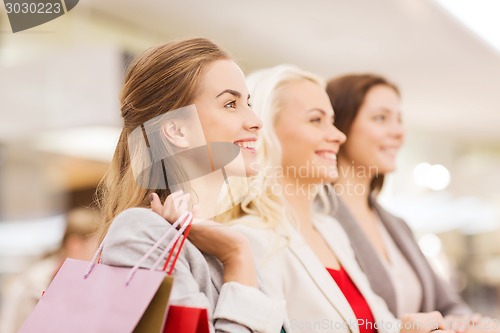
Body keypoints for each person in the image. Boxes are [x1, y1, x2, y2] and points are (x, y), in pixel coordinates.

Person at [151, 64, 454, 333]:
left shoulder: (331, 231)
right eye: (316, 120)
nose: (338, 136)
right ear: (267, 132)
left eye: (332, 121)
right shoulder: (251, 239)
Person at [98, 37, 286, 333]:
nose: (255, 121)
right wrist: (237, 256)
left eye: (247, 103)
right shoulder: (141, 232)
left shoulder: (218, 238)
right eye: (230, 104)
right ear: (177, 130)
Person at [324, 74, 473, 319]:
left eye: (399, 120)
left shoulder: (396, 224)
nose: (398, 132)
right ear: (340, 125)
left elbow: (449, 305)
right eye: (380, 118)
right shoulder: (316, 219)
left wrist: (464, 323)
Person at [0, 208, 100, 333]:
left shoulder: (80, 280)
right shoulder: (35, 282)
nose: (98, 258)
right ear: (74, 245)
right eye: (96, 248)